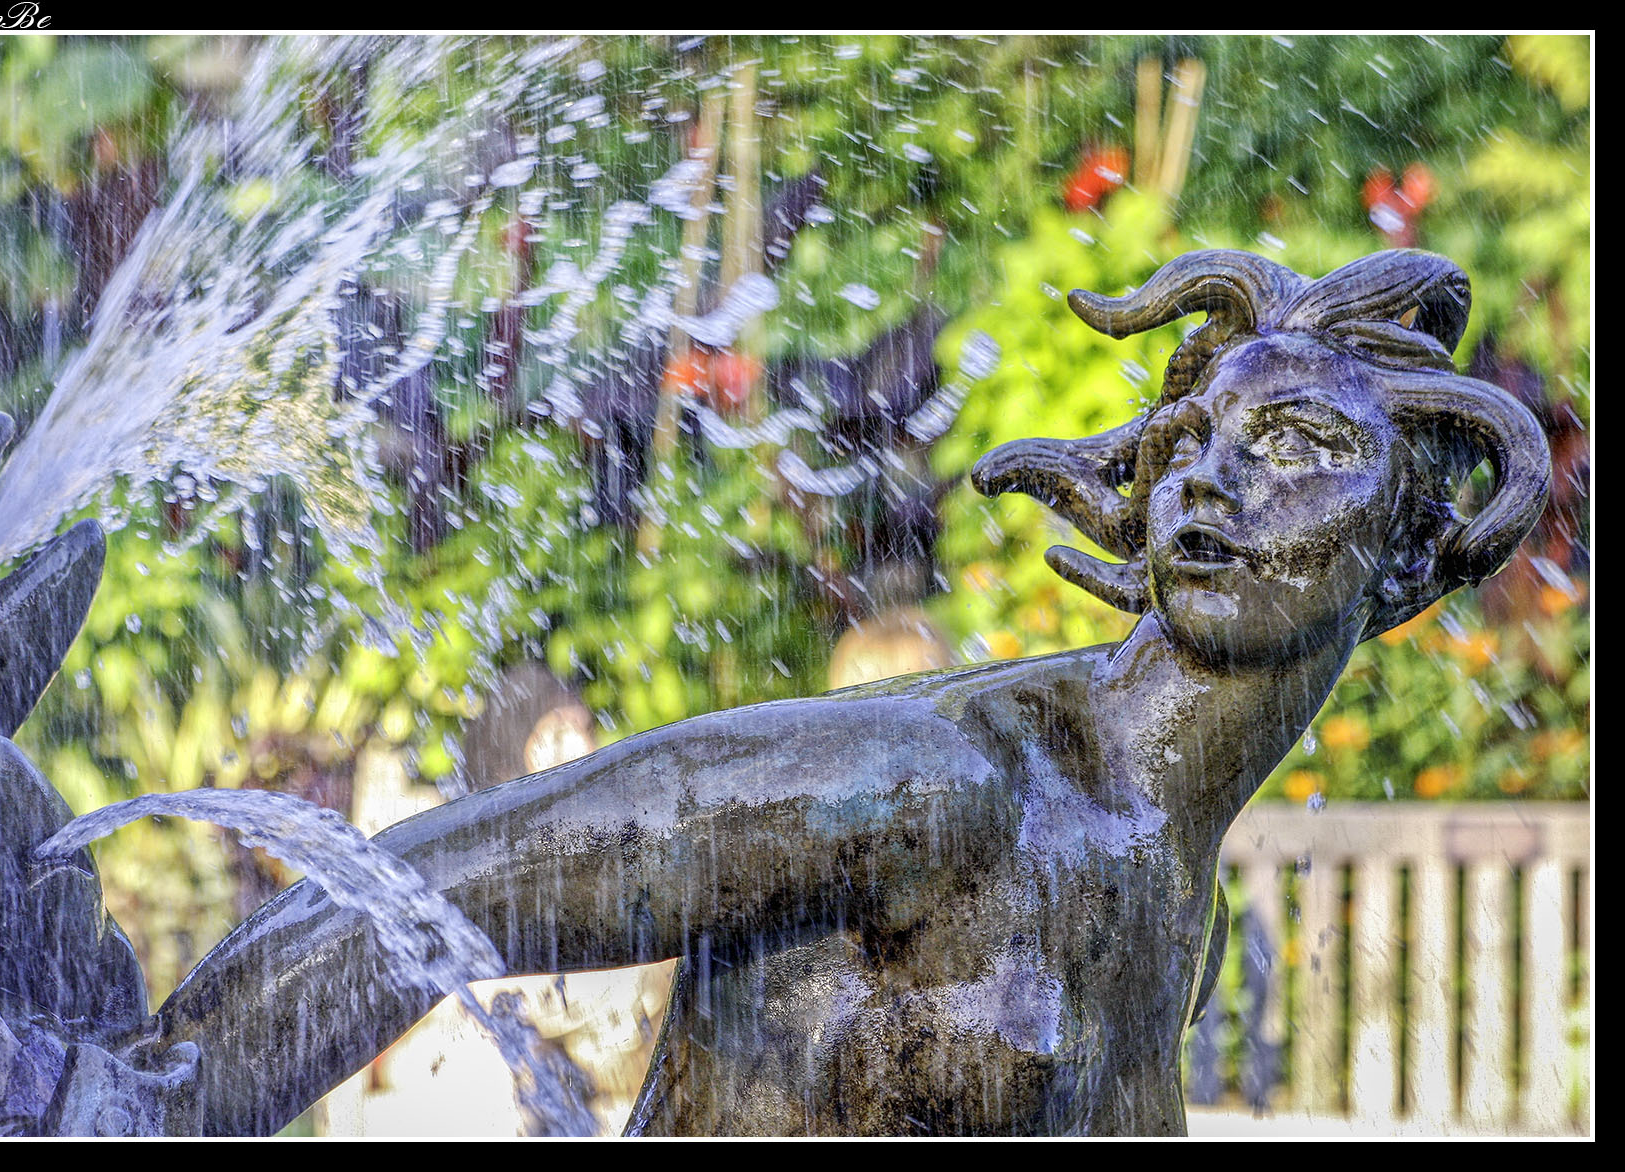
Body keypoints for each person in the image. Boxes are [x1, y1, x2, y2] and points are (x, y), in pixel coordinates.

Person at [151, 248, 1549, 1136]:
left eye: (1295, 445)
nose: (1211, 482)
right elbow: (426, 892)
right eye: (1190, 439)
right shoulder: (942, 787)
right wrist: (146, 1106)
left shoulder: (1171, 887)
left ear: (1412, 553)